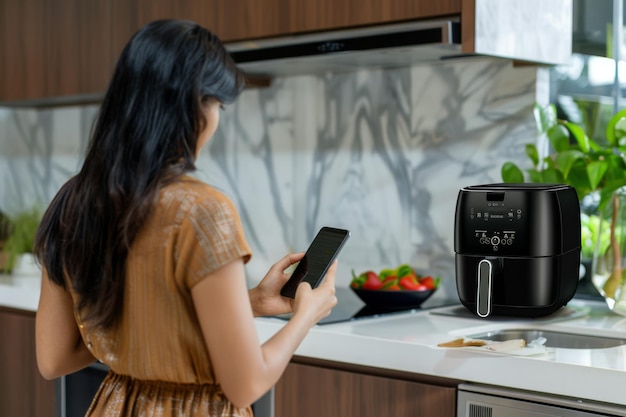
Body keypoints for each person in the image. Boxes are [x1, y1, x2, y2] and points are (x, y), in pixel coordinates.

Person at [34, 19, 338, 416]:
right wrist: (305, 316)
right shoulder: (202, 210)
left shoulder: (74, 200)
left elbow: (55, 359)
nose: (215, 119)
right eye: (216, 103)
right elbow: (246, 383)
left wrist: (250, 303)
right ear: (191, 105)